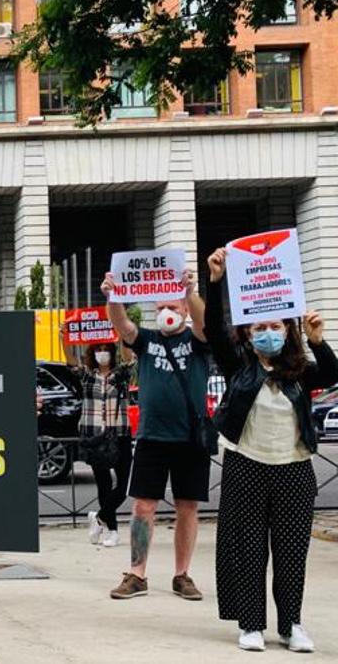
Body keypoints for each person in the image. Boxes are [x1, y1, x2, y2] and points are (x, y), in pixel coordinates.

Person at [206, 247, 336, 653]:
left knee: (292, 550)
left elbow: (333, 374)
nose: (269, 332)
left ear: (287, 330)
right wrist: (216, 281)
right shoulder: (239, 367)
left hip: (294, 468)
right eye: (260, 326)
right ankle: (251, 625)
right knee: (249, 549)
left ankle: (291, 624)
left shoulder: (300, 370)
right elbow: (212, 329)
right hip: (247, 464)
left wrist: (320, 341)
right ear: (247, 333)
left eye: (277, 326)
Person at [103, 268, 210, 601]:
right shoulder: (147, 341)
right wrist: (113, 297)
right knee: (142, 507)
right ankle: (137, 573)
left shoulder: (197, 341)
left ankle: (182, 574)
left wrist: (191, 292)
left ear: (184, 311)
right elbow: (123, 326)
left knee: (187, 507)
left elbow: (206, 324)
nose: (167, 313)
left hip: (190, 438)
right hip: (152, 437)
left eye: (174, 308)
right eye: (161, 308)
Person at [62, 339, 134, 548]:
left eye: (106, 350)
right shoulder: (87, 376)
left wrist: (123, 336)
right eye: (99, 350)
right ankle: (111, 531)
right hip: (94, 435)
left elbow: (129, 360)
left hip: (119, 433)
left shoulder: (120, 375)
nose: (102, 353)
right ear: (93, 353)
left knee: (125, 484)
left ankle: (99, 517)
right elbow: (70, 362)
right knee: (103, 484)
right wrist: (63, 338)